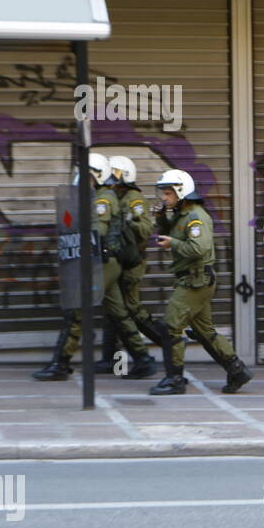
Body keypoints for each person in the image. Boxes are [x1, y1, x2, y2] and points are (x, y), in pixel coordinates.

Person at [33, 152, 148, 381]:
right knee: (118, 313)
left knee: (76, 309)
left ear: (98, 175)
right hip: (108, 263)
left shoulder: (103, 198)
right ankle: (143, 358)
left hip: (103, 262)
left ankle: (60, 363)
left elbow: (99, 231)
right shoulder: (96, 195)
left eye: (86, 175)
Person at [148, 169, 253, 396]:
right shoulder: (180, 214)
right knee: (204, 331)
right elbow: (170, 233)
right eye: (163, 193)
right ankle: (237, 370)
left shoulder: (195, 217)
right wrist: (160, 218)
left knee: (170, 327)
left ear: (181, 192)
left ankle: (174, 379)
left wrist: (172, 244)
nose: (163, 198)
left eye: (167, 193)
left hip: (195, 281)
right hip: (193, 279)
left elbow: (199, 248)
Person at [103, 155, 160, 379]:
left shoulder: (133, 198)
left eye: (115, 175)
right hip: (119, 261)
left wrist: (126, 221)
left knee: (130, 311)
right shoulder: (115, 196)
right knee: (114, 311)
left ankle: (169, 342)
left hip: (130, 264)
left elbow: (145, 228)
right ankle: (110, 358)